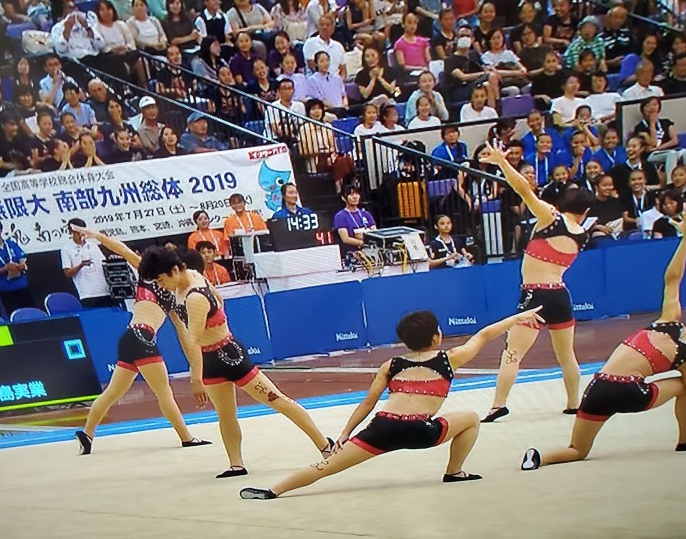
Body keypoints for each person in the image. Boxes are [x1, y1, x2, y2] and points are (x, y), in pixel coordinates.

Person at [240, 306, 544, 500]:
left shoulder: (391, 364)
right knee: (471, 418)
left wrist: (345, 434)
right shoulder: (450, 358)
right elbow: (484, 334)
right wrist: (517, 318)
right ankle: (454, 471)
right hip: (421, 432)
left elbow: (367, 404)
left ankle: (272, 490)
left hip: (381, 429)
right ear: (437, 337)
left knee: (324, 467)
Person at [522, 214, 686, 470]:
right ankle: (685, 440)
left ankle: (538, 457)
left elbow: (672, 279)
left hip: (598, 387)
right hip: (628, 391)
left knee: (577, 450)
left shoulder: (668, 321)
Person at [149, 245, 336, 477]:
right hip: (210, 359)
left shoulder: (195, 296)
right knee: (225, 414)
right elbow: (218, 300)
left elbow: (193, 339)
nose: (160, 286)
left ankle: (325, 445)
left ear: (176, 270)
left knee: (277, 400)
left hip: (231, 356)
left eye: (160, 280)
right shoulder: (187, 278)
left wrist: (195, 377)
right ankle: (236, 464)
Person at [478, 143, 594, 421]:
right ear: (586, 211)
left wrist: (502, 163)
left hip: (536, 296)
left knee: (512, 352)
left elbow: (523, 189)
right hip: (560, 295)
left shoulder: (550, 217)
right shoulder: (583, 234)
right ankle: (573, 403)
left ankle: (498, 405)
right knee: (566, 355)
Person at [70, 228, 210, 455]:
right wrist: (98, 236)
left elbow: (122, 249)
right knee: (164, 393)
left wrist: (97, 236)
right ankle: (187, 438)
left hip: (129, 338)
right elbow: (184, 336)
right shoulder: (162, 286)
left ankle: (87, 434)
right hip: (143, 338)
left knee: (112, 392)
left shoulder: (156, 285)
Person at [0, 217, 31, 315]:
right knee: (13, 314)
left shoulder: (11, 244)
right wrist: (6, 268)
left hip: (21, 284)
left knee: (30, 312)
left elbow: (22, 259)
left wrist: (22, 265)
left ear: (1, 229)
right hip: (5, 287)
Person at [60, 218, 112, 307]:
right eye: (77, 232)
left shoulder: (93, 245)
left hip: (104, 291)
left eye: (82, 231)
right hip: (87, 294)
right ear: (71, 231)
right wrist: (81, 265)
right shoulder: (67, 248)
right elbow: (67, 273)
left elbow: (103, 263)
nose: (80, 234)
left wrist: (111, 260)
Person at [333, 185, 377, 253]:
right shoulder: (340, 216)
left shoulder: (366, 214)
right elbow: (345, 239)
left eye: (357, 194)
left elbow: (375, 233)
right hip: (352, 253)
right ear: (343, 198)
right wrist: (363, 243)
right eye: (351, 194)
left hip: (372, 251)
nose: (355, 197)